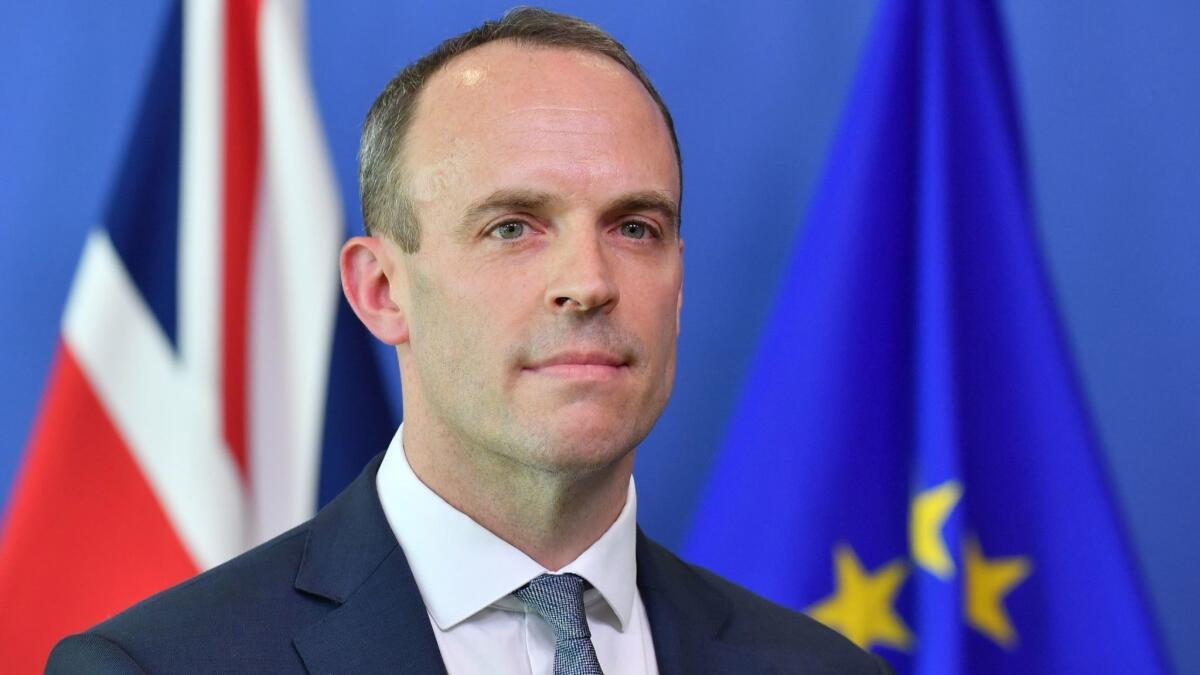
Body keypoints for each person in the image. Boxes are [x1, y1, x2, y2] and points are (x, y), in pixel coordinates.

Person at [48, 8, 890, 674]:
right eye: (513, 227)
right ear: (381, 291)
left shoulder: (820, 667)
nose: (589, 281)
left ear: (678, 282)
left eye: (635, 227)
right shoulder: (159, 667)